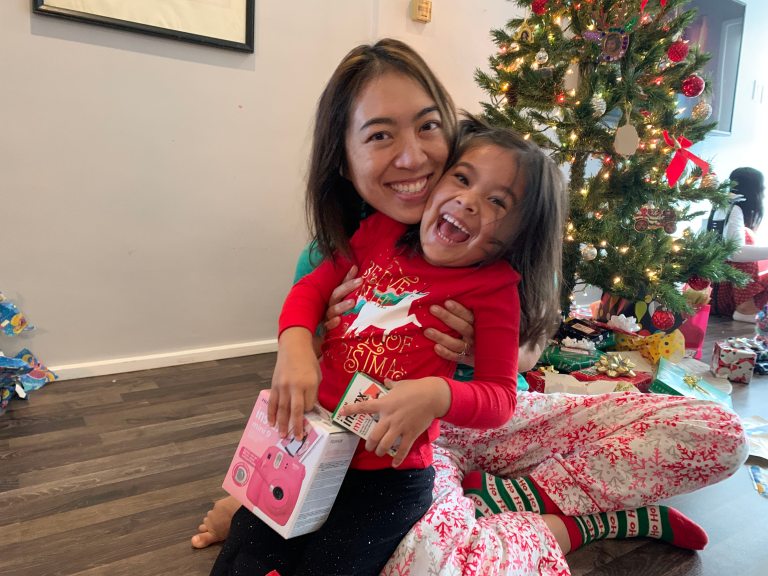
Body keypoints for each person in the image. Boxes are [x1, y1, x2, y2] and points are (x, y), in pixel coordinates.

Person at [195, 39, 748, 575]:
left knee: (724, 435)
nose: (412, 156)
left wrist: (470, 355)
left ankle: (520, 505)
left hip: (471, 427)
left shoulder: (503, 260)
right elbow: (306, 380)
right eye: (380, 135)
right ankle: (533, 520)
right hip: (382, 448)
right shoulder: (352, 243)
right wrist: (259, 482)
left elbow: (519, 367)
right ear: (342, 157)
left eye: (427, 126)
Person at [209, 116, 565, 576]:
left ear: (520, 232)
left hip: (387, 480)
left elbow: (500, 398)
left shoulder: (496, 288)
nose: (468, 200)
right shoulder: (379, 231)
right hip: (307, 444)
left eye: (498, 201)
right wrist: (295, 343)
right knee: (245, 559)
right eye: (461, 178)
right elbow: (310, 288)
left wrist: (437, 394)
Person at [711, 167, 768, 322]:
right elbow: (735, 252)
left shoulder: (723, 208)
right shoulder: (733, 208)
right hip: (728, 297)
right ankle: (746, 308)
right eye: (762, 189)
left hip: (719, 295)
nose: (763, 194)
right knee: (744, 239)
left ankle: (748, 308)